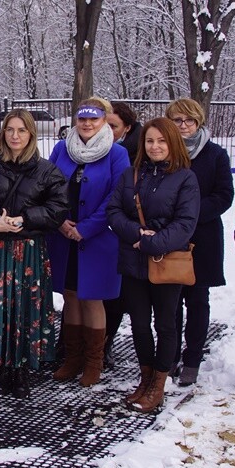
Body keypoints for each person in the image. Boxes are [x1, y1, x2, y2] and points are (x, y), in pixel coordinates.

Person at [0, 109, 68, 399]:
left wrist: (25, 220)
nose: (15, 136)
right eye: (10, 130)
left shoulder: (47, 170)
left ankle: (20, 369)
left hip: (30, 250)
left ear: (31, 134)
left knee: (26, 307)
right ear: (2, 133)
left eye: (21, 130)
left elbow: (58, 208)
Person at [107, 118, 199, 412]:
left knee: (165, 323)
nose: (155, 147)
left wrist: (150, 241)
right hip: (134, 262)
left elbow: (185, 224)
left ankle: (159, 383)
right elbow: (114, 211)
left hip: (166, 262)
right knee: (139, 324)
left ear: (171, 143)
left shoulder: (185, 178)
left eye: (161, 141)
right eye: (150, 141)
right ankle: (145, 378)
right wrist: (136, 233)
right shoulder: (130, 175)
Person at [47, 98, 131, 387]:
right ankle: (72, 357)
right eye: (82, 119)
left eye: (93, 119)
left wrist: (86, 228)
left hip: (97, 238)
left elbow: (117, 196)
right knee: (70, 296)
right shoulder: (61, 149)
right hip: (64, 235)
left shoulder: (116, 154)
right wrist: (59, 220)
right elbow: (47, 186)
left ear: (103, 121)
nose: (86, 124)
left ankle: (94, 361)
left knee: (93, 299)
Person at [165, 98, 234, 387]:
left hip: (202, 236)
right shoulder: (163, 151)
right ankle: (168, 357)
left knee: (197, 300)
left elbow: (224, 195)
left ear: (199, 123)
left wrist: (190, 214)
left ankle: (192, 357)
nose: (183, 127)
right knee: (169, 302)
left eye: (189, 121)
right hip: (168, 237)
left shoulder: (214, 155)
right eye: (177, 121)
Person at [103, 100, 143, 370]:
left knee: (117, 295)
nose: (106, 129)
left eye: (113, 126)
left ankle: (105, 343)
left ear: (127, 128)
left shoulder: (131, 153)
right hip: (104, 228)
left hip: (125, 231)